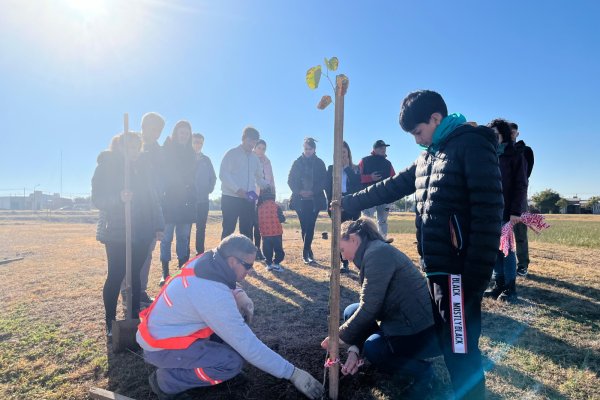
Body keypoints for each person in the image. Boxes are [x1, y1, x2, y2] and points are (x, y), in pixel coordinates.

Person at [340, 90, 504, 400]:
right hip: (436, 269)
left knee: (460, 347)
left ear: (435, 119)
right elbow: (390, 187)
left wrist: (474, 278)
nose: (417, 140)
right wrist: (349, 203)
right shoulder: (428, 156)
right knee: (450, 341)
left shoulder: (472, 145)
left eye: (418, 132)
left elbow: (488, 215)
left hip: (459, 275)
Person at [136, 234, 323, 400]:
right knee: (231, 364)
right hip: (162, 346)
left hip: (170, 331)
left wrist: (239, 294)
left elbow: (220, 283)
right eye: (248, 266)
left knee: (234, 328)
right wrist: (292, 373)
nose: (250, 271)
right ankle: (167, 382)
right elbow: (248, 346)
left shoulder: (210, 260)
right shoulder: (211, 295)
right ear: (233, 261)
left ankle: (205, 361)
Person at [321, 218, 440, 397]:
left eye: (342, 250)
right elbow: (368, 306)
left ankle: (422, 373)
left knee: (374, 349)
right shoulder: (372, 251)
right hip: (400, 322)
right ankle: (382, 353)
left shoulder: (378, 254)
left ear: (353, 239)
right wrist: (354, 350)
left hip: (420, 332)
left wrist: (339, 337)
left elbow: (370, 307)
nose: (343, 257)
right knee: (351, 311)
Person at [92, 131, 164, 336]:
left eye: (136, 146)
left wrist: (158, 225)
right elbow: (97, 199)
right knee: (116, 275)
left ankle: (133, 320)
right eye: (128, 146)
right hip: (117, 231)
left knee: (135, 276)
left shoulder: (143, 168)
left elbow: (154, 198)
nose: (133, 151)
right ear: (119, 146)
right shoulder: (106, 167)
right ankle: (110, 322)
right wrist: (118, 198)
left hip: (143, 230)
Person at [119, 112, 165, 306]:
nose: (154, 132)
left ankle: (140, 290)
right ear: (143, 127)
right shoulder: (130, 147)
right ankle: (125, 291)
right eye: (152, 128)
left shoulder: (159, 152)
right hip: (128, 211)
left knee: (146, 253)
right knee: (126, 253)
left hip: (149, 210)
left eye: (158, 130)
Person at [484, 119, 528, 302]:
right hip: (489, 212)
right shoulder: (486, 156)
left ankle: (511, 287)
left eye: (497, 134)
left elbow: (521, 185)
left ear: (504, 135)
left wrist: (515, 211)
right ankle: (499, 284)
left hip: (507, 211)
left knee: (507, 250)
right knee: (494, 249)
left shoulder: (516, 155)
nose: (493, 138)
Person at [159, 121, 197, 286]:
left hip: (186, 201)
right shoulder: (167, 148)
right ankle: (165, 272)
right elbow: (164, 171)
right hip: (169, 200)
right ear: (176, 133)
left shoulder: (191, 153)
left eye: (187, 133)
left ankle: (182, 269)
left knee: (183, 237)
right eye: (181, 132)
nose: (184, 135)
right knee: (166, 238)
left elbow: (192, 176)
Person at [219, 126, 267, 240]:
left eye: (254, 142)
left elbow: (259, 178)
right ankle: (223, 257)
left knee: (247, 231)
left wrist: (269, 186)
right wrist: (237, 190)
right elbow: (223, 174)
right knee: (228, 230)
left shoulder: (255, 158)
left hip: (248, 199)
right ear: (243, 138)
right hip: (231, 198)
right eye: (250, 140)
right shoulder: (231, 153)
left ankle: (246, 257)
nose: (252, 144)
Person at [287, 137, 327, 264]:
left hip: (314, 200)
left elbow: (324, 181)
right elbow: (290, 180)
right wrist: (299, 191)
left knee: (310, 225)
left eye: (310, 149)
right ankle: (308, 251)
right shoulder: (297, 163)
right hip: (300, 200)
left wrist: (313, 191)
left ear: (314, 149)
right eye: (306, 149)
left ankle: (305, 253)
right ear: (303, 149)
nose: (308, 151)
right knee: (304, 226)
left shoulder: (320, 163)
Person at [325, 141, 362, 272]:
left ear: (348, 153)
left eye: (344, 152)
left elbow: (358, 186)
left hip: (351, 204)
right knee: (340, 235)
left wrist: (346, 168)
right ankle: (344, 262)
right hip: (336, 204)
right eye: (339, 152)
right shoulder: (331, 168)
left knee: (353, 235)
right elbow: (328, 189)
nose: (342, 155)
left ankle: (358, 261)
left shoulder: (355, 168)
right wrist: (332, 203)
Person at [510, 122, 534, 277]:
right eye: (508, 132)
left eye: (513, 132)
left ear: (517, 133)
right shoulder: (498, 150)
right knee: (500, 233)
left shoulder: (525, 151)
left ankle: (523, 265)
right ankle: (503, 265)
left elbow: (527, 173)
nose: (511, 134)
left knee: (520, 233)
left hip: (519, 197)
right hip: (501, 196)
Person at [358, 140, 396, 239]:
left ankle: (383, 241)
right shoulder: (364, 160)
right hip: (368, 196)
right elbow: (356, 177)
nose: (383, 149)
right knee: (366, 220)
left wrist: (392, 196)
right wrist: (370, 177)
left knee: (383, 221)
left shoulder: (388, 163)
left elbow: (394, 179)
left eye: (385, 148)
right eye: (381, 148)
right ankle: (365, 240)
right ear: (374, 149)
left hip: (384, 197)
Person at [191, 133, 217, 256]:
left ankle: (199, 253)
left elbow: (213, 177)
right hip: (188, 200)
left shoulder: (206, 160)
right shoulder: (185, 158)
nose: (198, 145)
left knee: (201, 228)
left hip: (203, 200)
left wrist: (209, 189)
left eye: (200, 143)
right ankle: (184, 256)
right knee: (185, 230)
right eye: (196, 142)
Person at [253, 139, 275, 261]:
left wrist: (273, 193)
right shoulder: (250, 158)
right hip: (250, 195)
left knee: (258, 224)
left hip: (264, 196)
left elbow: (271, 179)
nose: (261, 151)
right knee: (249, 224)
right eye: (259, 148)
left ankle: (257, 249)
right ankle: (249, 250)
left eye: (263, 148)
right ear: (255, 148)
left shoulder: (267, 162)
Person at [257, 187, 286, 272]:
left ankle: (269, 264)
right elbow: (282, 219)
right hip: (276, 232)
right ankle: (276, 264)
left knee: (267, 249)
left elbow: (256, 220)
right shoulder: (276, 206)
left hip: (265, 233)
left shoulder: (259, 207)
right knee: (278, 249)